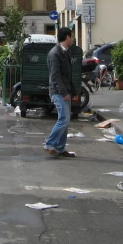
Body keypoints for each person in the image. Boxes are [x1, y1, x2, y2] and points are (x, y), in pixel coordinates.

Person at [43, 27, 77, 158]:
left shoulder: (65, 52)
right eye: (72, 36)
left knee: (65, 120)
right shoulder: (54, 53)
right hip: (58, 91)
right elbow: (55, 76)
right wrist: (64, 92)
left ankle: (60, 148)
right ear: (67, 37)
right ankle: (49, 144)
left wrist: (73, 89)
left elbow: (67, 75)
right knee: (64, 119)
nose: (73, 39)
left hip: (64, 90)